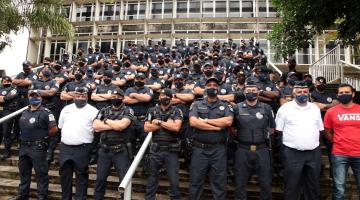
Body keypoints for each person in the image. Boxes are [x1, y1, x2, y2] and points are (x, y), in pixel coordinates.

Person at [275, 82, 324, 200]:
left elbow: (320, 129)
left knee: (313, 186)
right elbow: (278, 130)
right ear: (293, 94)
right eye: (299, 92)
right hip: (292, 153)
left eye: (305, 92)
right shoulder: (285, 108)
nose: (303, 94)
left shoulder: (314, 108)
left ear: (309, 93)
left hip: (313, 153)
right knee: (292, 185)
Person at [188, 77, 234, 200]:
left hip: (218, 150)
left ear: (218, 88)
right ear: (205, 88)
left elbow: (228, 121)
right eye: (209, 85)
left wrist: (206, 121)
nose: (212, 87)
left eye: (215, 85)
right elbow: (193, 122)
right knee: (195, 182)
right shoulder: (197, 104)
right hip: (199, 150)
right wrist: (215, 127)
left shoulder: (225, 105)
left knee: (219, 183)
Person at [9, 90, 57, 200]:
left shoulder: (46, 112)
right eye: (32, 96)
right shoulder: (25, 111)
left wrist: (41, 137)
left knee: (41, 173)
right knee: (24, 172)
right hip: (24, 147)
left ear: (41, 98)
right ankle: (22, 195)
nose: (34, 97)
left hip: (38, 148)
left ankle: (42, 196)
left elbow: (53, 130)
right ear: (28, 97)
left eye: (37, 96)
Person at [233, 80, 275, 200]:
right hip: (243, 150)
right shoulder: (237, 108)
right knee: (240, 182)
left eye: (253, 90)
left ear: (258, 92)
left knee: (265, 182)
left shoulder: (266, 108)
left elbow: (272, 128)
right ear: (244, 92)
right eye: (248, 91)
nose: (251, 92)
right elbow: (232, 128)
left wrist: (261, 136)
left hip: (262, 149)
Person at [93, 88, 135, 200]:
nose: (115, 98)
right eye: (112, 96)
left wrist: (106, 121)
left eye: (117, 97)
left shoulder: (128, 110)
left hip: (121, 151)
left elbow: (122, 126)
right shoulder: (103, 110)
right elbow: (96, 126)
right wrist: (114, 125)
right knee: (100, 180)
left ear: (122, 98)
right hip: (104, 151)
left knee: (124, 181)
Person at [58, 87, 98, 200]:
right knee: (65, 176)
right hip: (65, 148)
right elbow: (61, 126)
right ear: (74, 96)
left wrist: (93, 151)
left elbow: (97, 132)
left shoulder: (94, 111)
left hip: (83, 148)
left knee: (81, 176)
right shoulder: (66, 108)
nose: (80, 98)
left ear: (87, 96)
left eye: (83, 95)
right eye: (78, 95)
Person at [144, 89, 183, 200]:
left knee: (174, 180)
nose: (164, 97)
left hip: (171, 151)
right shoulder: (152, 110)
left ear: (171, 98)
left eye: (167, 95)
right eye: (162, 95)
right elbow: (146, 128)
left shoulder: (177, 111)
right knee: (152, 179)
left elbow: (176, 128)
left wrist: (159, 122)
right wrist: (167, 124)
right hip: (155, 150)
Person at [323, 83, 360, 199]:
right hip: (339, 154)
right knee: (339, 189)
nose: (344, 94)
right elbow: (327, 131)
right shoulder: (331, 112)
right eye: (341, 93)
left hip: (359, 153)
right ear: (337, 95)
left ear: (353, 94)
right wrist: (337, 141)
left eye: (347, 92)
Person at [0, 76, 19, 159]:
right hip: (0, 111)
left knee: (6, 132)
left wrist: (3, 98)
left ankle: (7, 151)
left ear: (10, 81)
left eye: (7, 81)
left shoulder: (14, 89)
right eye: (4, 81)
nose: (5, 82)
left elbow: (7, 98)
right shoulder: (0, 88)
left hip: (8, 111)